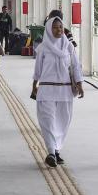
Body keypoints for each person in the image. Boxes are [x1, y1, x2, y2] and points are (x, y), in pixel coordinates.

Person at [31, 16, 84, 168]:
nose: (58, 30)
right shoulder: (43, 48)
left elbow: (75, 67)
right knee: (47, 121)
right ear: (48, 29)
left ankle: (56, 149)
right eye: (55, 27)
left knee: (62, 122)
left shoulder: (69, 47)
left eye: (60, 27)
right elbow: (38, 69)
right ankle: (51, 152)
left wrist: (79, 84)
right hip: (46, 89)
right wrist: (34, 84)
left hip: (65, 90)